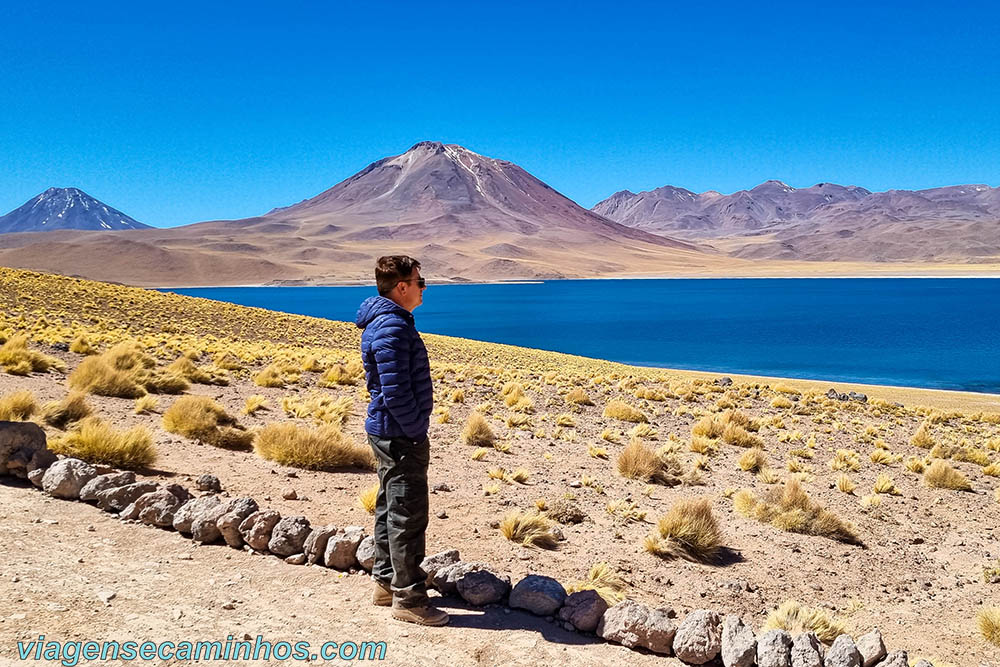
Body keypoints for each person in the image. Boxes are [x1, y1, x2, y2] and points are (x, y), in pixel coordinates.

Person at [354, 255, 448, 626]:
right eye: (420, 281)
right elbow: (395, 392)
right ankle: (409, 600)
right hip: (398, 433)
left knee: (389, 505)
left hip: (389, 430)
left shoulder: (386, 322)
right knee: (407, 513)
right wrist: (413, 429)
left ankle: (385, 583)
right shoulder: (392, 328)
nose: (424, 288)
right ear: (403, 287)